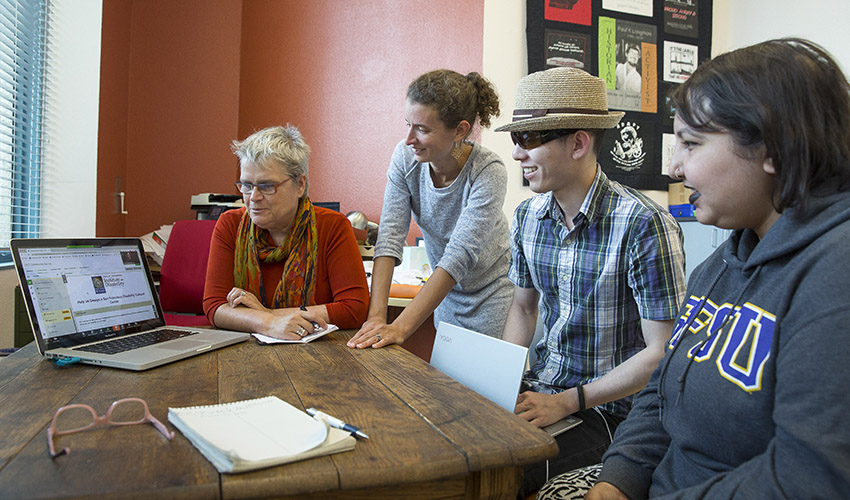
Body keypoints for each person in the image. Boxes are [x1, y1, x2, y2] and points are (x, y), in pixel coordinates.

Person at [573, 38, 850, 500]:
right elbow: (658, 397)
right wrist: (615, 482)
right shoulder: (717, 265)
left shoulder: (834, 277)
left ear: (773, 149)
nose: (676, 167)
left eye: (691, 143)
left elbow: (809, 479)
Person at [493, 67, 686, 497]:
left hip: (612, 412)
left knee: (504, 472)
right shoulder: (528, 217)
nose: (517, 155)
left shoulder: (644, 224)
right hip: (544, 390)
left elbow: (661, 354)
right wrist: (499, 380)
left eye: (528, 140)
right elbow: (524, 308)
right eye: (515, 140)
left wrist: (567, 401)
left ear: (579, 142)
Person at [348, 69, 512, 349]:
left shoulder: (487, 172)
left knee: (486, 391)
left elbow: (459, 256)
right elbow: (389, 236)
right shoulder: (405, 158)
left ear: (460, 130)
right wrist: (376, 318)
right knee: (448, 390)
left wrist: (399, 329)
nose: (409, 138)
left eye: (422, 129)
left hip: (492, 297)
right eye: (408, 124)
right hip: (446, 297)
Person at [203, 124, 369, 339]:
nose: (253, 197)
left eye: (266, 186)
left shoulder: (332, 226)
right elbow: (214, 305)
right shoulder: (230, 224)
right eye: (246, 185)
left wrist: (266, 314)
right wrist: (269, 323)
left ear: (299, 185)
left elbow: (353, 308)